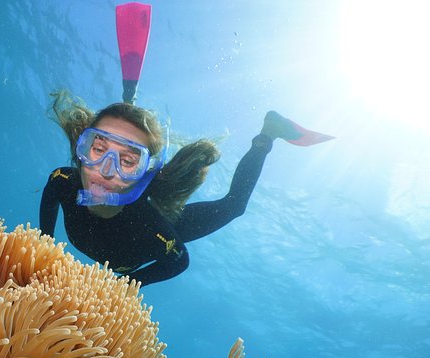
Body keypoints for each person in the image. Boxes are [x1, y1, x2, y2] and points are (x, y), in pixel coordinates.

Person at [40, 91, 326, 286]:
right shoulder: (62, 182)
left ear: (143, 175)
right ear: (82, 149)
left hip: (163, 218)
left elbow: (178, 261)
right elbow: (48, 215)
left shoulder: (154, 229)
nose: (105, 168)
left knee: (235, 206)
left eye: (127, 161)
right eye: (98, 148)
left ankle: (267, 135)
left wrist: (126, 284)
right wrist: (44, 248)